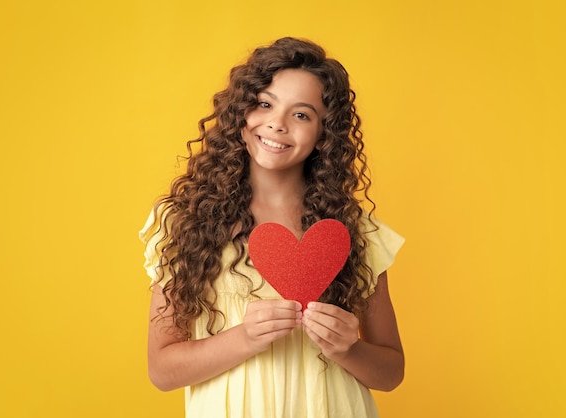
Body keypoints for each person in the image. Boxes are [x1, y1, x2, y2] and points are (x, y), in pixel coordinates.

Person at [139, 37, 405, 418]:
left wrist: (350, 348)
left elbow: (391, 372)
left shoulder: (355, 230)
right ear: (240, 116)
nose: (277, 124)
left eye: (302, 115)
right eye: (265, 104)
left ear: (322, 135)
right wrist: (244, 338)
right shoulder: (185, 220)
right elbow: (162, 371)